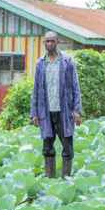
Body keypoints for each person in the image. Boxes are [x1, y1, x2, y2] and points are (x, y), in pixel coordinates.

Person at [30, 31, 83, 178]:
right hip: (46, 111)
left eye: (52, 41)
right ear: (44, 43)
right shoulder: (40, 63)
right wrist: (34, 113)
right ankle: (49, 177)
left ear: (57, 42)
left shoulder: (67, 61)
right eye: (47, 41)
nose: (49, 44)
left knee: (67, 146)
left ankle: (66, 177)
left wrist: (77, 110)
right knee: (47, 146)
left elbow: (75, 86)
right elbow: (36, 89)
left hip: (64, 111)